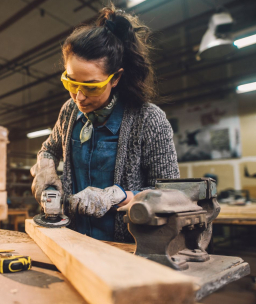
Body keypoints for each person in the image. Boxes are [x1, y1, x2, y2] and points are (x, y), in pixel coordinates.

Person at [31, 5, 179, 243]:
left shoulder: (149, 119)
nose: (79, 97)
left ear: (116, 78)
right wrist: (45, 166)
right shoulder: (69, 111)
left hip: (126, 247)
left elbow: (172, 194)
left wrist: (119, 196)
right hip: (73, 240)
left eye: (91, 87)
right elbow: (50, 147)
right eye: (71, 83)